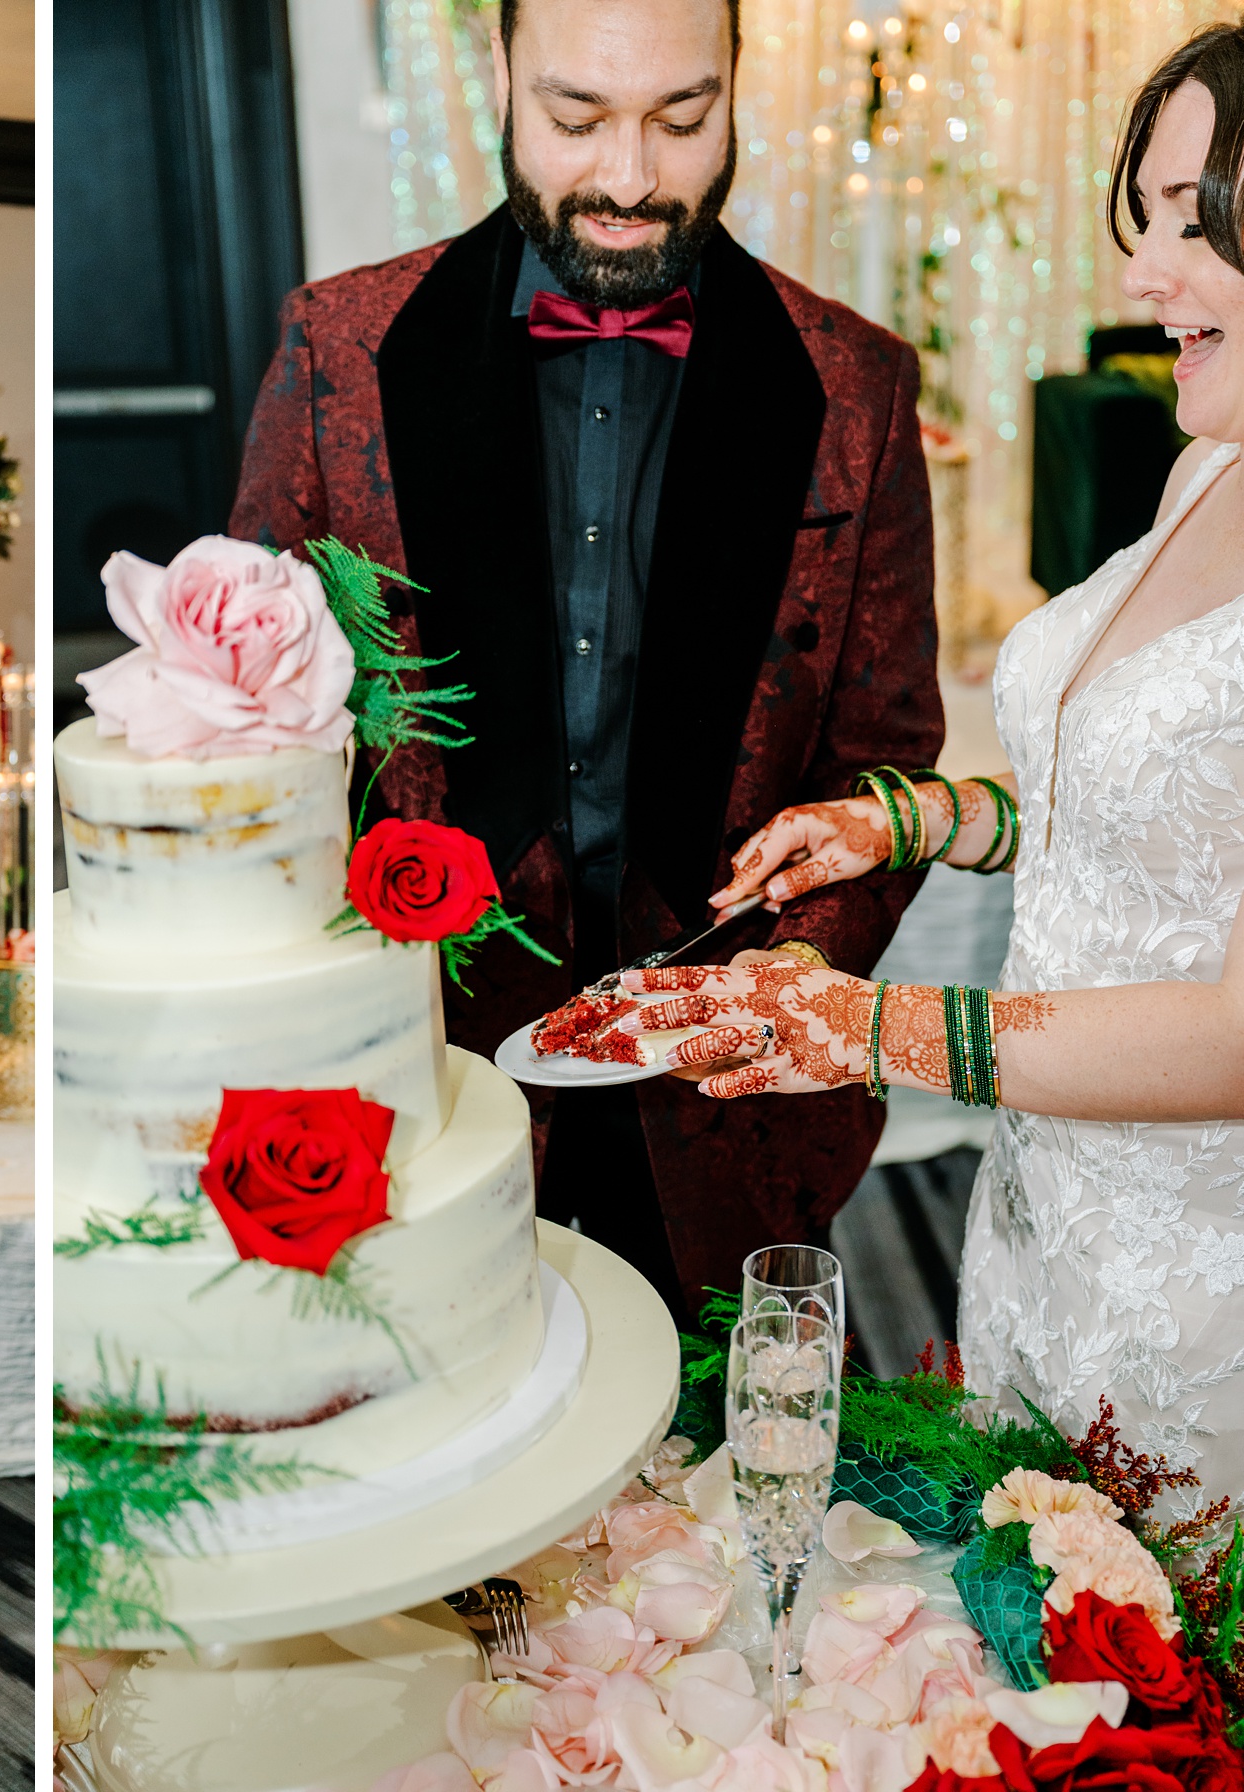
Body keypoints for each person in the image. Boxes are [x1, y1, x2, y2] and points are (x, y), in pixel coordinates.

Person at [227, 0, 944, 1310]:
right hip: (423, 1095)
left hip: (732, 1113)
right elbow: (252, 735)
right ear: (496, 73)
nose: (630, 176)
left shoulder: (858, 385)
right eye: (575, 117)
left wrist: (791, 977)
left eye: (684, 119)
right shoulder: (338, 349)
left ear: (737, 84)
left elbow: (884, 758)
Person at [621, 23, 1244, 1518]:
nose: (1141, 276)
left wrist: (875, 1027)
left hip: (1205, 1268)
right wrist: (903, 818)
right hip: (1055, 1209)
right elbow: (1162, 830)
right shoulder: (1206, 461)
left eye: (1197, 224)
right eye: (1144, 220)